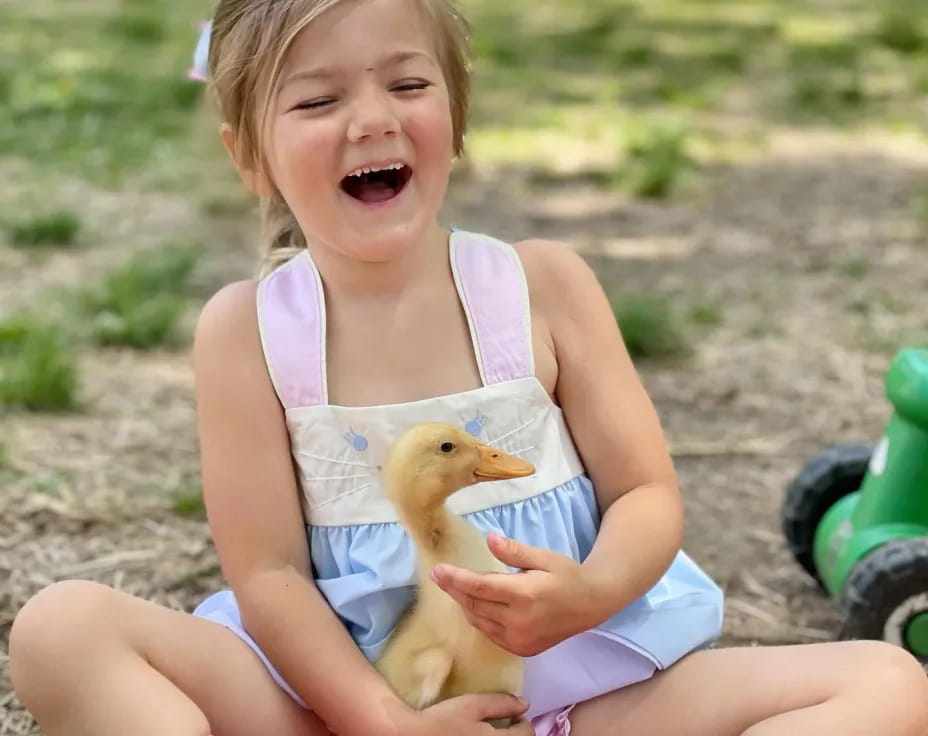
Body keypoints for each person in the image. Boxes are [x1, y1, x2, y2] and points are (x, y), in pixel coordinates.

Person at [9, 1, 928, 735]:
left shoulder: (543, 288)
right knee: (63, 629)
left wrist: (591, 592)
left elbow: (646, 491)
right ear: (249, 154)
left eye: (406, 82)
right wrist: (377, 721)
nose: (371, 118)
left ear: (457, 115)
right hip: (339, 706)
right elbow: (272, 578)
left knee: (888, 684)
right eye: (318, 101)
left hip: (571, 701)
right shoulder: (248, 333)